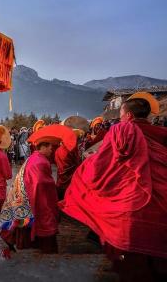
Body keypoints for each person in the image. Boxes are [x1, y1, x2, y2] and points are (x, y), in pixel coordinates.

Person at [61, 93, 167, 281]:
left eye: (122, 114)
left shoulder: (121, 131)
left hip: (131, 199)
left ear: (129, 116)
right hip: (161, 197)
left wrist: (84, 170)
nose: (120, 118)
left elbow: (102, 164)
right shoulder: (162, 134)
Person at [0, 140, 59, 257]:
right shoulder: (41, 162)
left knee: (22, 219)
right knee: (44, 219)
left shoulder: (33, 157)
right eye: (50, 147)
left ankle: (12, 239)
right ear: (43, 146)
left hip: (22, 192)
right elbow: (41, 183)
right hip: (32, 194)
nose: (52, 150)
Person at [54, 130, 82, 200]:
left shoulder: (58, 150)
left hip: (60, 180)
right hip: (70, 181)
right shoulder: (71, 149)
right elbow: (78, 164)